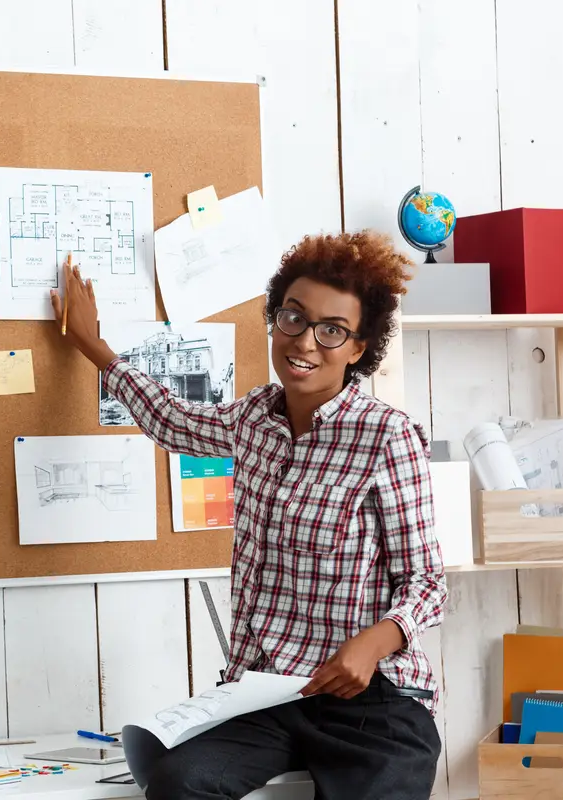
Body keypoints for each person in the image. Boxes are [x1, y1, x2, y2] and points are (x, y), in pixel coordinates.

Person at [52, 230, 447, 800]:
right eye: (293, 317)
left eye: (332, 330)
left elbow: (428, 583)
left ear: (359, 348)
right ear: (275, 319)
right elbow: (172, 420)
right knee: (177, 783)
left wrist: (374, 643)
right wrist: (95, 347)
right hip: (272, 696)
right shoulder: (254, 418)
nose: (305, 342)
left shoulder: (388, 435)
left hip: (373, 705)